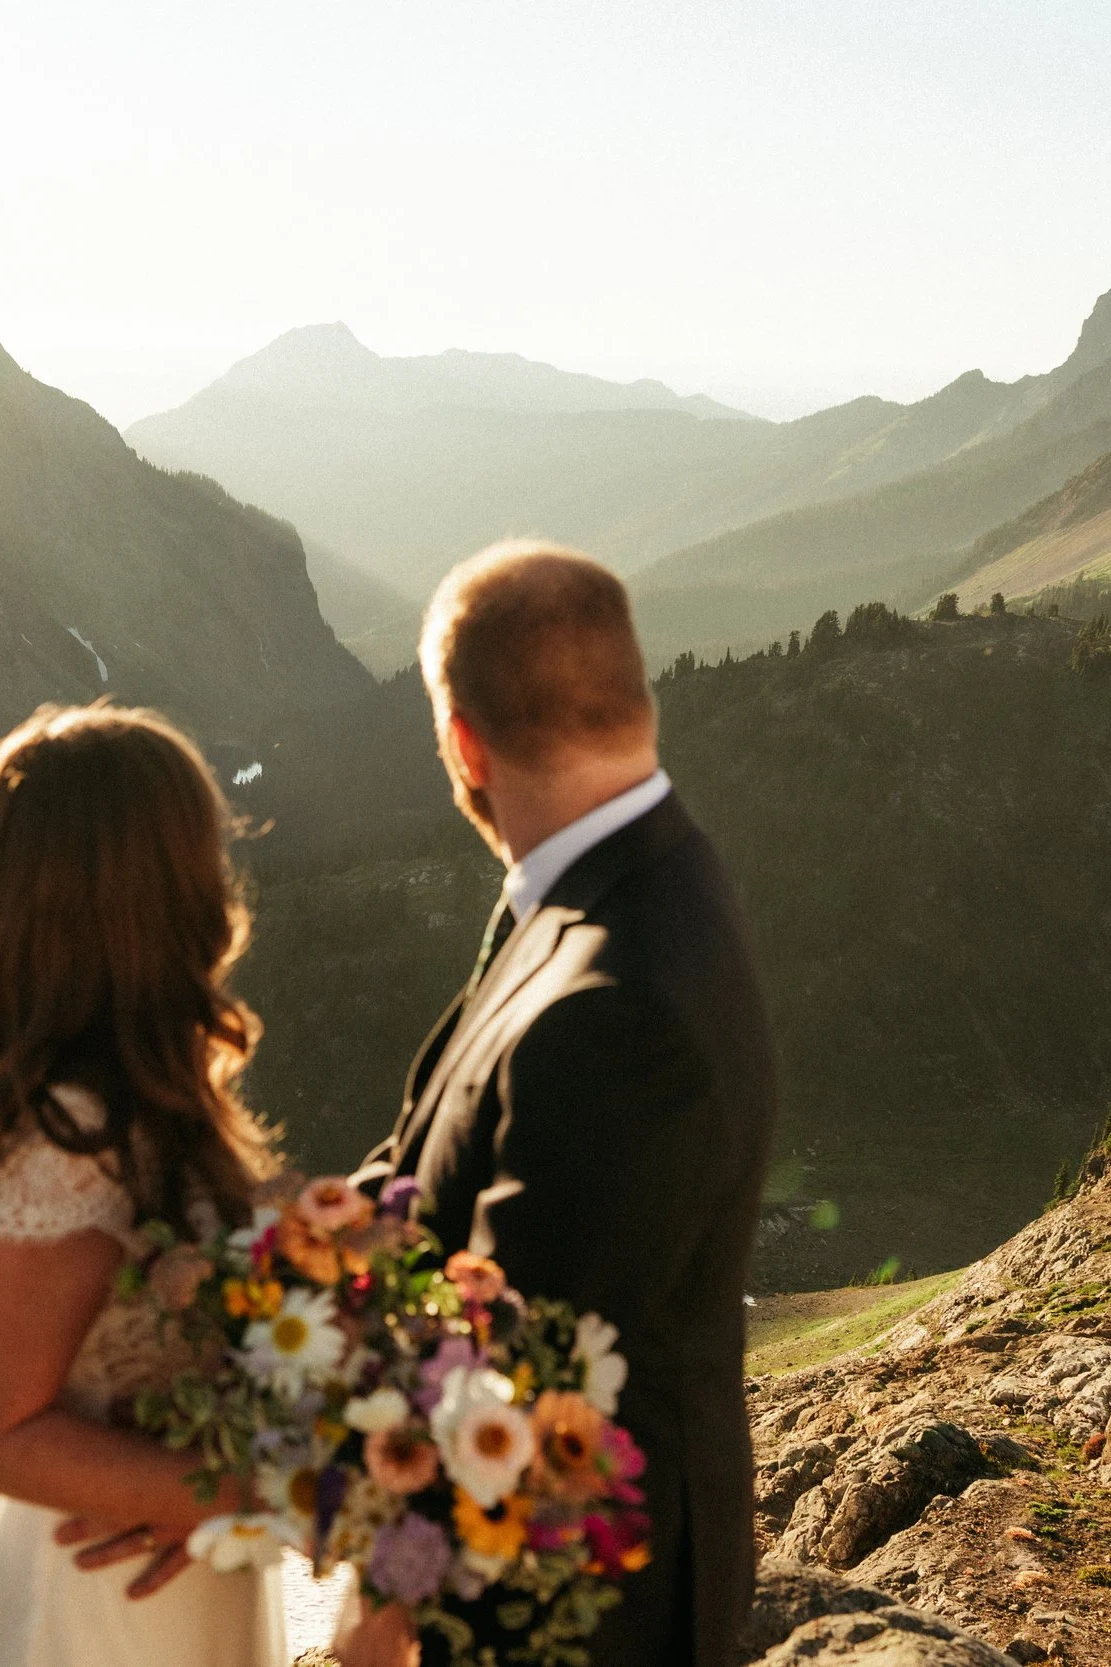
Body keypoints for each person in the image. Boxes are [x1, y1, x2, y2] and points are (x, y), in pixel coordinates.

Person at [334, 541, 776, 1667]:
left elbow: (524, 1356)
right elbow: (432, 1153)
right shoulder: (619, 882)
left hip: (572, 1614)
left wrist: (387, 1595)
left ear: (461, 742)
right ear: (636, 699)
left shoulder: (610, 1001)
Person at [0, 703, 288, 1667]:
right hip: (82, 1603)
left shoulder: (140, 1102)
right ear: (155, 889)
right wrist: (246, 1486)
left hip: (162, 1569)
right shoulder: (63, 1132)